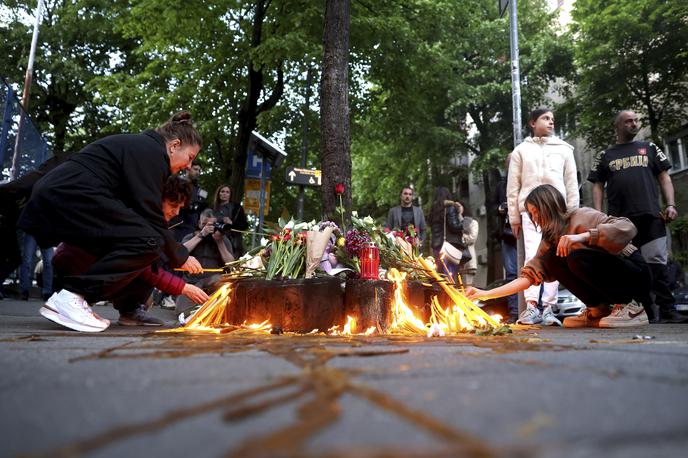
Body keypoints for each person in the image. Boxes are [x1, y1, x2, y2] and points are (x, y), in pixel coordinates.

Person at [17, 111, 204, 332]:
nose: (188, 166)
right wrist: (180, 255)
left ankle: (93, 301)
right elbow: (149, 214)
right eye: (190, 157)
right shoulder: (151, 153)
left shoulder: (140, 148)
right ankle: (73, 297)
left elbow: (138, 216)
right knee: (149, 241)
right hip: (73, 196)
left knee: (147, 242)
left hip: (65, 196)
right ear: (174, 146)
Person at [466, 184, 652, 328]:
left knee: (575, 257)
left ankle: (632, 307)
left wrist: (584, 236)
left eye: (536, 212)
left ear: (548, 206)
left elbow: (628, 227)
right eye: (531, 214)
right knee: (553, 260)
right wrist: (486, 294)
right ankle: (598, 310)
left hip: (634, 275)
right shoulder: (550, 239)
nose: (535, 218)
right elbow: (528, 277)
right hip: (612, 281)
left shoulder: (582, 215)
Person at [51, 175, 210, 326]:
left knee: (154, 262)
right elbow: (143, 266)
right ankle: (74, 298)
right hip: (75, 268)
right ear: (157, 199)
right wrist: (184, 287)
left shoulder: (147, 219)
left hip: (81, 265)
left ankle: (129, 309)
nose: (177, 213)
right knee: (149, 260)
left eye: (180, 207)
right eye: (173, 205)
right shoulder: (137, 218)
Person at [588, 110, 686, 324]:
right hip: (621, 224)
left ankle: (667, 310)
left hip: (651, 217)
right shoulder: (606, 155)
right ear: (618, 126)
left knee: (657, 265)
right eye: (628, 121)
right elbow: (597, 185)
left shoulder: (650, 148)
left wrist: (671, 204)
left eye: (636, 120)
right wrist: (598, 215)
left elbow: (664, 177)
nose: (634, 124)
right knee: (628, 268)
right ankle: (643, 312)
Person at [507, 107, 579, 326]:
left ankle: (548, 308)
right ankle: (530, 307)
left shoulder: (565, 149)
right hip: (530, 212)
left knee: (554, 255)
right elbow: (513, 185)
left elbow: (571, 182)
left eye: (552, 119)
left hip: (558, 212)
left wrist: (572, 214)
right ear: (532, 123)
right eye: (545, 118)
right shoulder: (521, 150)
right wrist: (514, 217)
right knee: (532, 256)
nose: (551, 122)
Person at [175, 208, 235, 314]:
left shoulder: (223, 240)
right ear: (199, 224)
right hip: (192, 283)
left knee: (222, 310)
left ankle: (210, 308)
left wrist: (220, 243)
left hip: (214, 283)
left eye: (211, 225)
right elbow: (179, 253)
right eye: (204, 224)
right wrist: (201, 235)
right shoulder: (190, 237)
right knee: (182, 312)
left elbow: (232, 265)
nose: (208, 228)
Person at [496, 160, 518, 323]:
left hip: (527, 233)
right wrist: (500, 208)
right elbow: (492, 207)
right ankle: (515, 311)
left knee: (533, 271)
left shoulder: (527, 182)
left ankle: (535, 309)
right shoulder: (501, 186)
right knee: (511, 273)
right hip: (508, 234)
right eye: (510, 163)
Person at [428, 187, 464, 282]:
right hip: (449, 246)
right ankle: (449, 296)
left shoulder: (433, 210)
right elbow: (455, 226)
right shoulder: (450, 208)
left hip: (437, 247)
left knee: (440, 275)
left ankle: (439, 296)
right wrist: (462, 219)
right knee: (450, 274)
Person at [172, 160, 208, 242]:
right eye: (195, 169)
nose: (198, 172)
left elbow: (199, 209)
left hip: (191, 227)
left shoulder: (199, 189)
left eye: (199, 170)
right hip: (177, 225)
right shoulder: (176, 183)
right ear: (187, 169)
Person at [213, 184, 249, 257]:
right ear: (218, 193)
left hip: (231, 242)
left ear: (230, 195)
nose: (224, 194)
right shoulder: (212, 208)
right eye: (222, 191)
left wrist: (232, 223)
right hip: (213, 241)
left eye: (227, 192)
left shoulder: (237, 208)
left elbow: (244, 226)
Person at [19, 233, 53, 301]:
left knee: (48, 262)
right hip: (33, 229)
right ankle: (24, 290)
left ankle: (47, 292)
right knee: (27, 261)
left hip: (45, 231)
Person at [456, 200, 479, 287]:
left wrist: (460, 237)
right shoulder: (453, 223)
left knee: (468, 288)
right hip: (457, 260)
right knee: (458, 289)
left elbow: (472, 238)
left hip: (468, 259)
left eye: (459, 206)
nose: (457, 209)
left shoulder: (473, 223)